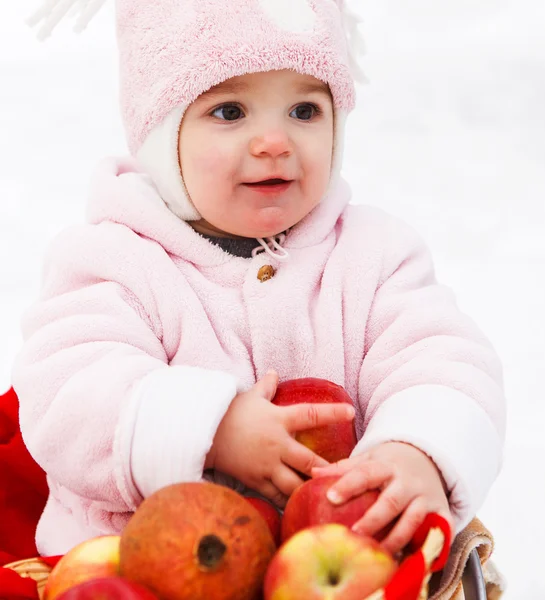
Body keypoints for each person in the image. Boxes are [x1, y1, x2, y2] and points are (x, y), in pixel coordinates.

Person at [13, 0, 505, 558]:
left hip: (337, 565)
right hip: (139, 567)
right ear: (162, 135)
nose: (274, 141)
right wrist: (210, 427)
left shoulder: (374, 256)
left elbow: (443, 358)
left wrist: (417, 448)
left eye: (304, 111)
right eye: (229, 112)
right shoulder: (113, 259)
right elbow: (67, 388)